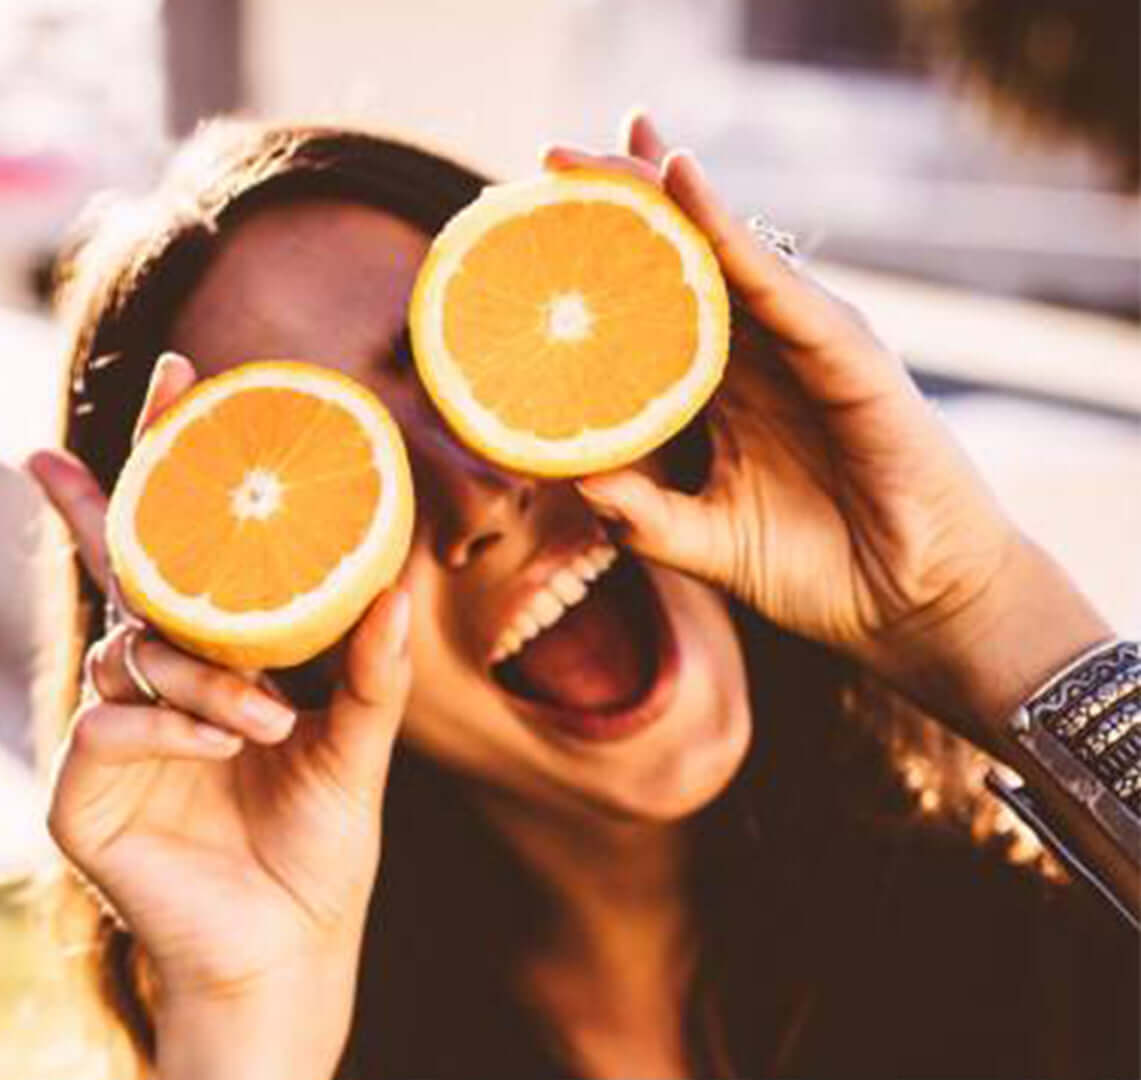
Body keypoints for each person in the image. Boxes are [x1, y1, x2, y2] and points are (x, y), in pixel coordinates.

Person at [24, 112, 1138, 1080]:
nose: (479, 495)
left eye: (463, 368)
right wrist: (244, 1018)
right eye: (345, 486)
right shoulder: (297, 1042)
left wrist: (971, 607)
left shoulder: (1057, 943)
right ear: (262, 649)